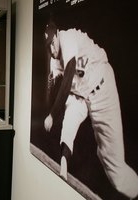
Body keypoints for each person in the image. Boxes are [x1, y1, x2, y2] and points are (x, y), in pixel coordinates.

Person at [43, 21, 138, 199]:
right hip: (81, 95)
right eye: (48, 46)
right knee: (69, 118)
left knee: (112, 164)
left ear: (56, 36)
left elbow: (70, 70)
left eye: (52, 43)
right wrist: (51, 89)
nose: (52, 49)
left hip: (102, 89)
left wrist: (52, 114)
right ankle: (64, 163)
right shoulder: (54, 61)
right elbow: (58, 88)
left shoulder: (67, 37)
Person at [45, 58, 88, 181]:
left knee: (68, 130)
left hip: (82, 100)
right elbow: (54, 80)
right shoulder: (59, 54)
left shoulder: (87, 54)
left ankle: (64, 167)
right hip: (68, 96)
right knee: (67, 130)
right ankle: (63, 167)